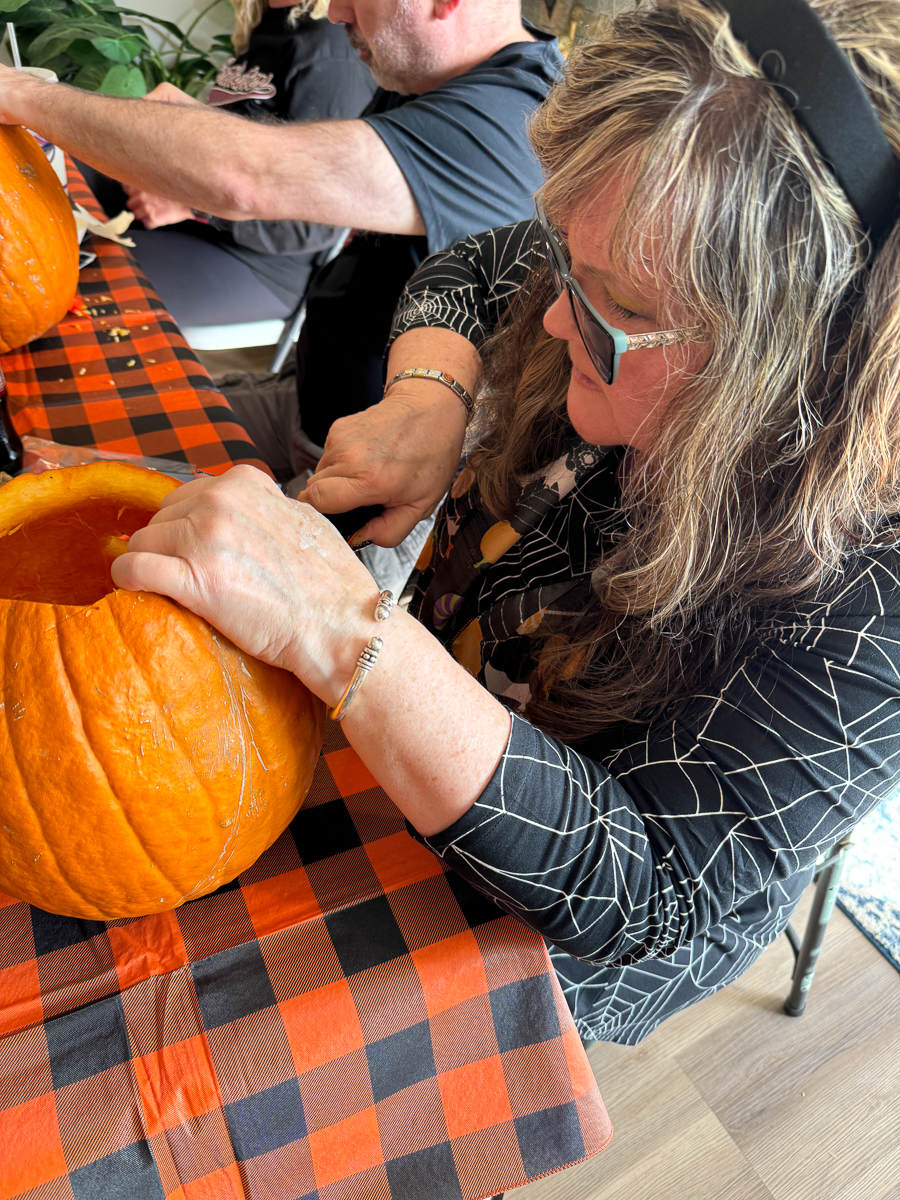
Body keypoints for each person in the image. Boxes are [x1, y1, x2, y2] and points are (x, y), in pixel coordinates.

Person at [28, 0, 900, 1045]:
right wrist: (428, 397)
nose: (550, 315)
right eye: (571, 264)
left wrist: (347, 630)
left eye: (612, 304)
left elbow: (658, 892)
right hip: (421, 693)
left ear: (787, 364)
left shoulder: (870, 589)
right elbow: (481, 267)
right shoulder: (625, 256)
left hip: (532, 941)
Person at [0, 1, 563, 483]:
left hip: (377, 472)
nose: (336, 9)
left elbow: (247, 177)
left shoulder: (514, 121)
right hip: (307, 400)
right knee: (52, 440)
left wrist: (21, 93)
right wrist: (199, 127)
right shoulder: (433, 76)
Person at [79, 0, 377, 330]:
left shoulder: (330, 51)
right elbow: (244, 142)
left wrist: (192, 203)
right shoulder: (271, 22)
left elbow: (315, 225)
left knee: (78, 277)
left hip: (261, 262)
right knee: (64, 179)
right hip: (206, 219)